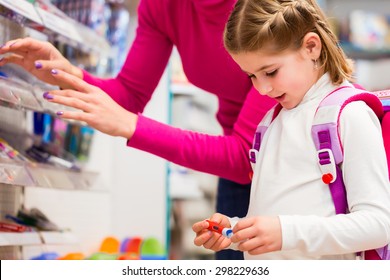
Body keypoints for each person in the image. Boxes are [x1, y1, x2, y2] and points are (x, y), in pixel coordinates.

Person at [0, 0, 276, 259]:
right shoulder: (164, 6)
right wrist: (67, 76)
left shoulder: (265, 8)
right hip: (239, 174)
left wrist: (132, 127)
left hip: (291, 159)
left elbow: (245, 155)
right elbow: (130, 93)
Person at [192, 0, 390, 259]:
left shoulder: (349, 115)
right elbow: (280, 223)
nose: (262, 89)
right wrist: (234, 232)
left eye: (270, 72)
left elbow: (379, 225)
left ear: (311, 47)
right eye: (251, 76)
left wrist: (286, 232)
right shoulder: (269, 123)